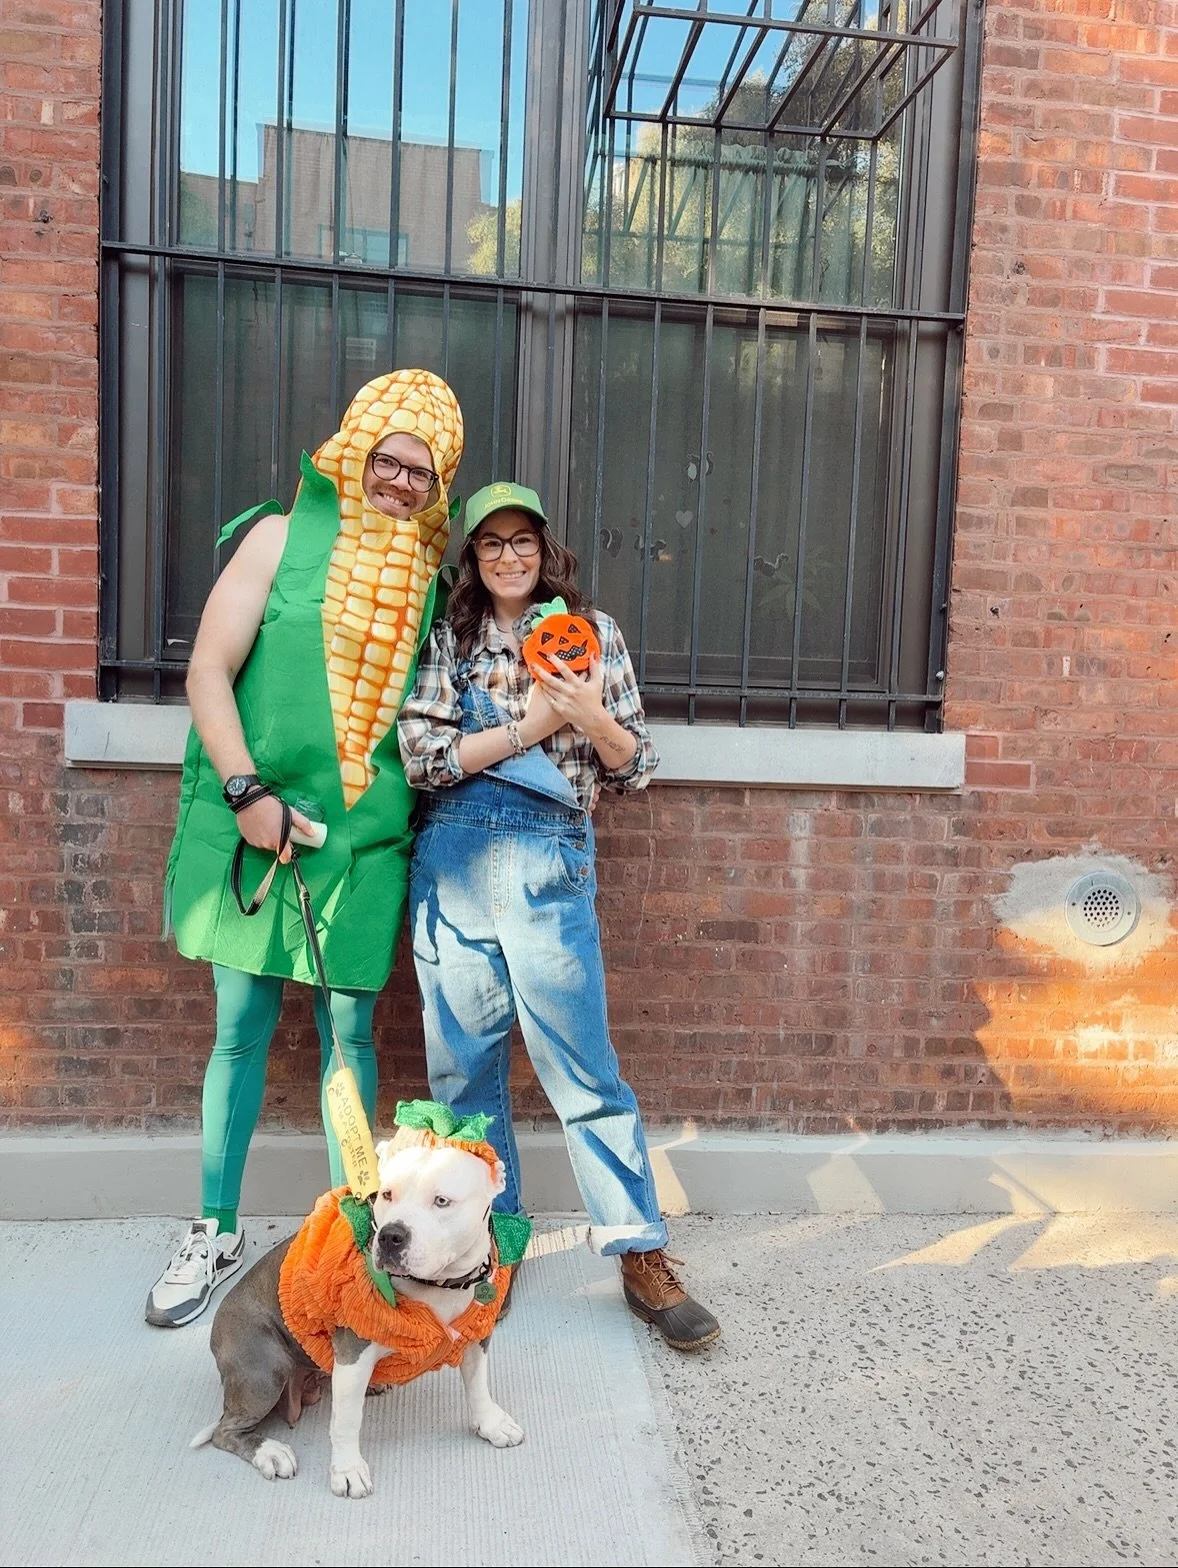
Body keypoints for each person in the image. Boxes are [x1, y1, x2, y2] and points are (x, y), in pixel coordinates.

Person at [147, 369, 464, 1328]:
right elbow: (209, 670)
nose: (400, 482)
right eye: (389, 461)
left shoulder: (430, 583)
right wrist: (246, 792)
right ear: (354, 450)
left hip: (362, 845)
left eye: (422, 472)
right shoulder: (277, 540)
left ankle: (351, 1244)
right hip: (257, 822)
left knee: (351, 1040)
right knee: (239, 1030)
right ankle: (214, 1228)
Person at [397, 481, 720, 1351]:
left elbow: (635, 765)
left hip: (550, 865)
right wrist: (532, 726)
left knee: (585, 1073)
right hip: (454, 866)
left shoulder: (592, 634)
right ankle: (489, 1254)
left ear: (546, 551)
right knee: (463, 1078)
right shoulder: (449, 638)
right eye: (491, 543)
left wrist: (585, 714)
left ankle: (640, 1252)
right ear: (473, 558)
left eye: (523, 541)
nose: (508, 556)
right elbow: (423, 757)